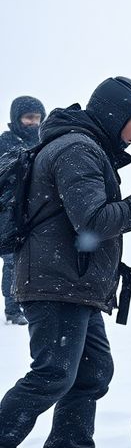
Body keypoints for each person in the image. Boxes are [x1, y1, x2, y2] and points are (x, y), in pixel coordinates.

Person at [0, 77, 131, 448]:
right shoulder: (77, 150)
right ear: (115, 114)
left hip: (75, 284)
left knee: (91, 373)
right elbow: (94, 220)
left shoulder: (83, 146)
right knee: (53, 374)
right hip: (57, 283)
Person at [0, 95, 46, 325]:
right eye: (29, 117)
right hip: (6, 214)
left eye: (38, 117)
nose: (34, 122)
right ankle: (13, 310)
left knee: (28, 261)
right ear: (17, 118)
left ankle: (27, 305)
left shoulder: (41, 141)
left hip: (32, 212)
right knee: (11, 261)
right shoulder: (5, 142)